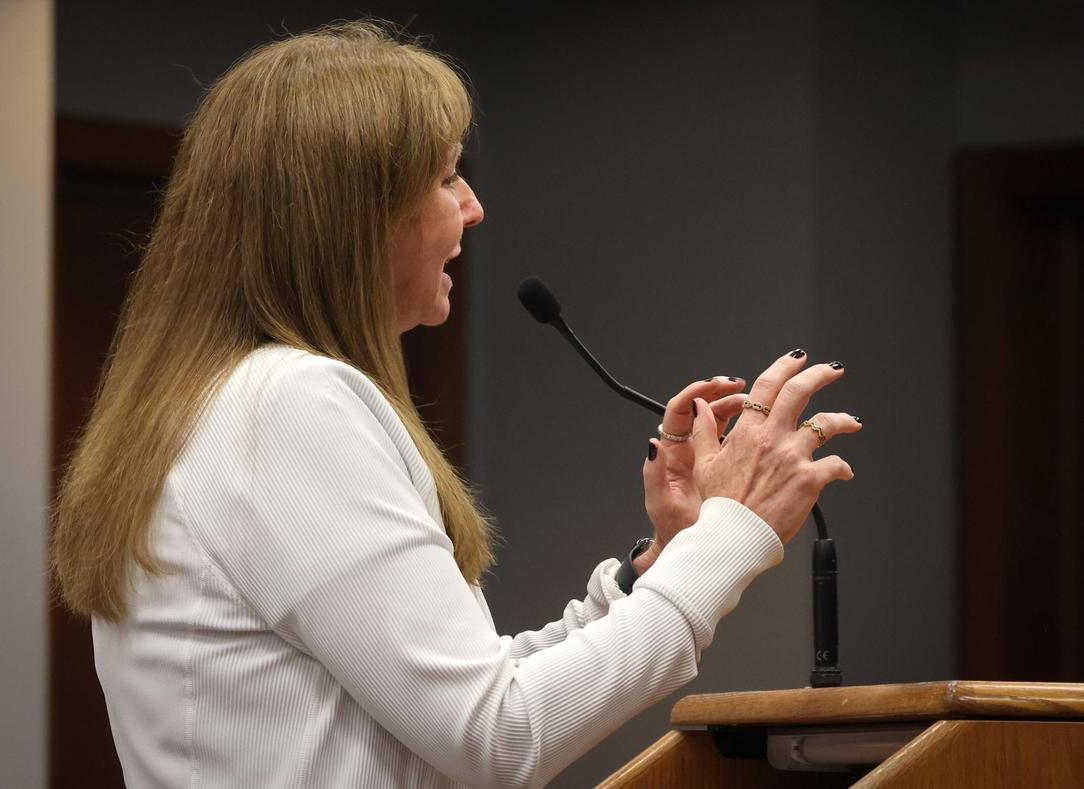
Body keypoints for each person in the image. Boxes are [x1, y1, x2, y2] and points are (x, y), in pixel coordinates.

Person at [52, 22, 859, 788]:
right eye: (445, 178)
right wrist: (732, 531)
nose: (472, 206)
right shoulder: (285, 405)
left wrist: (661, 561)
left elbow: (462, 700)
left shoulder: (226, 402)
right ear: (355, 218)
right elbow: (501, 737)